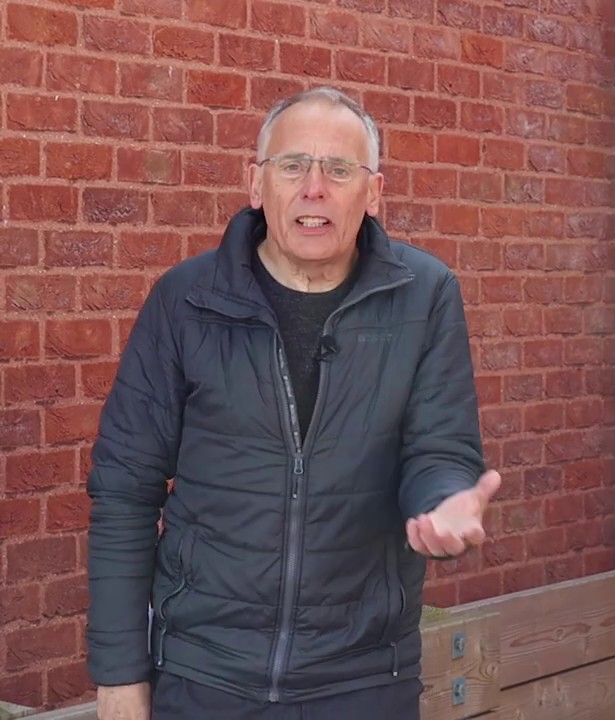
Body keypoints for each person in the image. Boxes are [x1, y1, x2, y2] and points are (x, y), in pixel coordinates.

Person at [85, 86, 500, 720]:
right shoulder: (186, 301)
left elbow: (439, 448)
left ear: (374, 192)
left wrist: (444, 500)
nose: (314, 188)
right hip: (204, 676)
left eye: (339, 169)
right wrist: (118, 676)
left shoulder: (425, 296)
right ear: (255, 183)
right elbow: (125, 488)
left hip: (363, 678)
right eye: (293, 166)